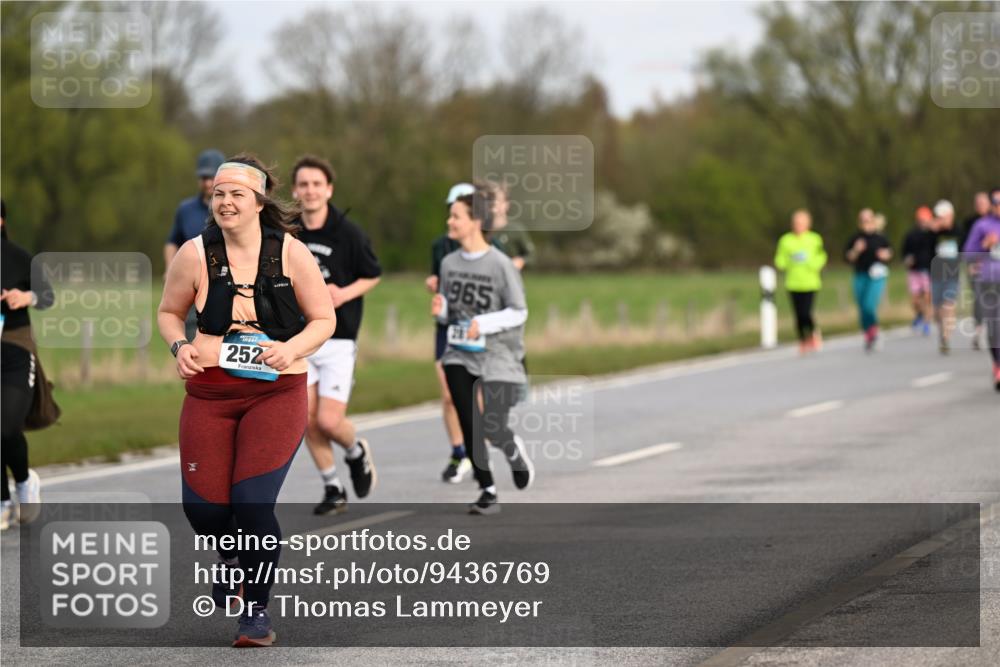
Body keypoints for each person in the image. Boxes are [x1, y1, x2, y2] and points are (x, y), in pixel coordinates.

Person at [157, 155, 336, 646]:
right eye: (218, 194)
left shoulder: (291, 252)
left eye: (237, 194)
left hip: (276, 391)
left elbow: (323, 319)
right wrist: (180, 347)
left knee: (253, 504)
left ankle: (255, 613)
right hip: (211, 391)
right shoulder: (194, 254)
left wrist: (290, 348)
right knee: (205, 512)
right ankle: (232, 558)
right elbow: (170, 312)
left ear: (258, 203)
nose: (226, 202)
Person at [431, 184, 534, 514]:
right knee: (468, 418)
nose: (450, 221)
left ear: (475, 221)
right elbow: (454, 311)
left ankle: (511, 448)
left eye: (456, 216)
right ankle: (487, 489)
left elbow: (519, 310)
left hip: (497, 355)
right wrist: (442, 310)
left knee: (491, 424)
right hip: (459, 353)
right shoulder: (448, 263)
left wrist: (484, 324)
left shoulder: (500, 264)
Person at [289, 155, 381, 516]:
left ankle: (356, 450)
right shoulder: (288, 230)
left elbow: (372, 273)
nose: (310, 191)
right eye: (304, 184)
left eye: (317, 184)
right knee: (305, 419)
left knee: (328, 420)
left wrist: (344, 293)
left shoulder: (349, 233)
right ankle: (332, 486)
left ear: (329, 189)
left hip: (339, 338)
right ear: (295, 190)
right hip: (298, 338)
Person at [1, 200, 56, 531]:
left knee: (6, 425)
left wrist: (26, 297)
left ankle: (23, 482)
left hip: (15, 347)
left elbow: (47, 296)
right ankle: (4, 502)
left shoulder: (20, 257)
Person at [427, 183, 476, 484]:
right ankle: (459, 452)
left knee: (476, 396)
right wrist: (432, 286)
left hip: (476, 329)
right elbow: (435, 277)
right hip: (447, 327)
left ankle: (476, 447)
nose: (452, 219)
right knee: (448, 395)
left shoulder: (491, 248)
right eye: (451, 210)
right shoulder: (440, 246)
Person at [165, 149, 226, 340]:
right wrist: (170, 268)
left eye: (212, 177)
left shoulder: (230, 207)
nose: (208, 182)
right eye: (204, 177)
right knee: (192, 338)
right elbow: (172, 242)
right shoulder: (186, 209)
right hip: (192, 285)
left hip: (223, 283)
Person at [773, 209, 827, 354]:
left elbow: (821, 257)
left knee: (806, 312)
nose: (798, 226)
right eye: (796, 223)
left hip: (810, 282)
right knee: (797, 314)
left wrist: (812, 264)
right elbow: (780, 260)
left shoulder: (815, 239)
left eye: (801, 223)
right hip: (793, 282)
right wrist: (787, 262)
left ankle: (813, 334)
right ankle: (802, 340)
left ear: (808, 224)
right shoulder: (786, 240)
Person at [962, 187, 1000, 391]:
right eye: (996, 203)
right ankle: (998, 365)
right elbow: (968, 253)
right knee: (994, 327)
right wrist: (985, 244)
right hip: (989, 280)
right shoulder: (982, 225)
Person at [845, 208, 893, 352]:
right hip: (860, 274)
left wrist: (885, 254)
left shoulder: (880, 238)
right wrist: (856, 250)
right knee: (861, 307)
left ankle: (874, 330)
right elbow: (848, 257)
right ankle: (869, 333)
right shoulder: (855, 238)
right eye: (863, 220)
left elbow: (890, 252)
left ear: (873, 220)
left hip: (877, 276)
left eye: (868, 219)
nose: (866, 223)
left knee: (869, 305)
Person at [929, 199, 961, 354]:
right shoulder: (933, 233)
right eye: (939, 217)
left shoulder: (958, 230)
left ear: (951, 216)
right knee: (936, 310)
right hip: (936, 274)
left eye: (944, 216)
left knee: (949, 304)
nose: (941, 220)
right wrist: (931, 232)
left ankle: (946, 337)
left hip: (952, 274)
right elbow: (924, 251)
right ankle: (943, 332)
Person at [961, 192, 991, 350]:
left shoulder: (995, 221)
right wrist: (970, 263)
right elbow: (967, 246)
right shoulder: (971, 223)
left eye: (983, 202)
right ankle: (978, 333)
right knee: (979, 299)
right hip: (977, 267)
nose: (980, 205)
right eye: (977, 202)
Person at [901, 206, 935, 336]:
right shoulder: (911, 235)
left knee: (927, 297)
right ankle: (920, 314)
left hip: (928, 269)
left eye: (925, 219)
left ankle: (926, 323)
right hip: (914, 270)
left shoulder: (932, 235)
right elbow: (905, 252)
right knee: (915, 300)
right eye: (921, 220)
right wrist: (907, 259)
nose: (923, 222)